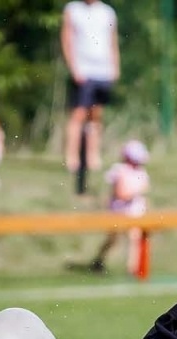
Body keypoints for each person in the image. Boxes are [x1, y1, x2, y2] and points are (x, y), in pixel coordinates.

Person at [61, 0, 119, 196]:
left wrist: (115, 67)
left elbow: (112, 40)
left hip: (103, 70)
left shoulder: (107, 12)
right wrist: (73, 67)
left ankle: (93, 156)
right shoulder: (73, 9)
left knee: (96, 115)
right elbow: (67, 39)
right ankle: (72, 157)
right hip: (83, 69)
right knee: (78, 115)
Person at [90, 139, 149, 274]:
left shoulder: (141, 173)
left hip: (135, 212)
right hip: (120, 211)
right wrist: (135, 192)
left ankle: (132, 270)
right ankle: (99, 261)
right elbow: (120, 193)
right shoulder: (120, 170)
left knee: (135, 238)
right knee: (113, 239)